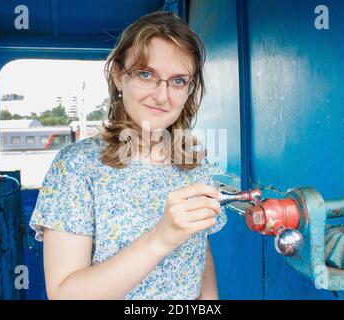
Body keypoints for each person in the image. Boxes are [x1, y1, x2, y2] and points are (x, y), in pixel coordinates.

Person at [29, 11, 227, 300]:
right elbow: (65, 294)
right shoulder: (76, 167)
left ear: (190, 89)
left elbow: (200, 250)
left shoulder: (194, 165)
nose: (162, 96)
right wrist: (160, 238)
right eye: (146, 75)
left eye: (178, 81)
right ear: (119, 76)